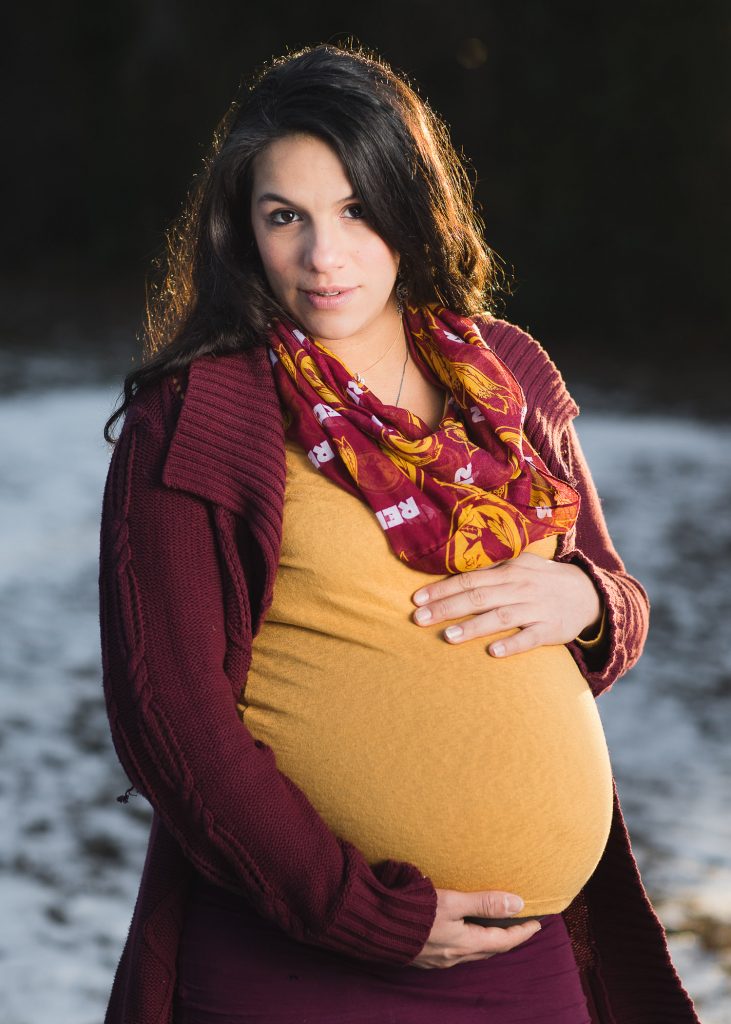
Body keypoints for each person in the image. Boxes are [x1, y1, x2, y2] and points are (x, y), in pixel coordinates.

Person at [99, 43, 699, 1024]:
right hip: (295, 963)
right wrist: (362, 913)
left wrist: (589, 598)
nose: (321, 255)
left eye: (354, 209)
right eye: (283, 215)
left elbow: (613, 601)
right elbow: (169, 722)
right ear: (241, 229)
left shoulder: (500, 374)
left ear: (406, 206)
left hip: (526, 959)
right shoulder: (203, 408)